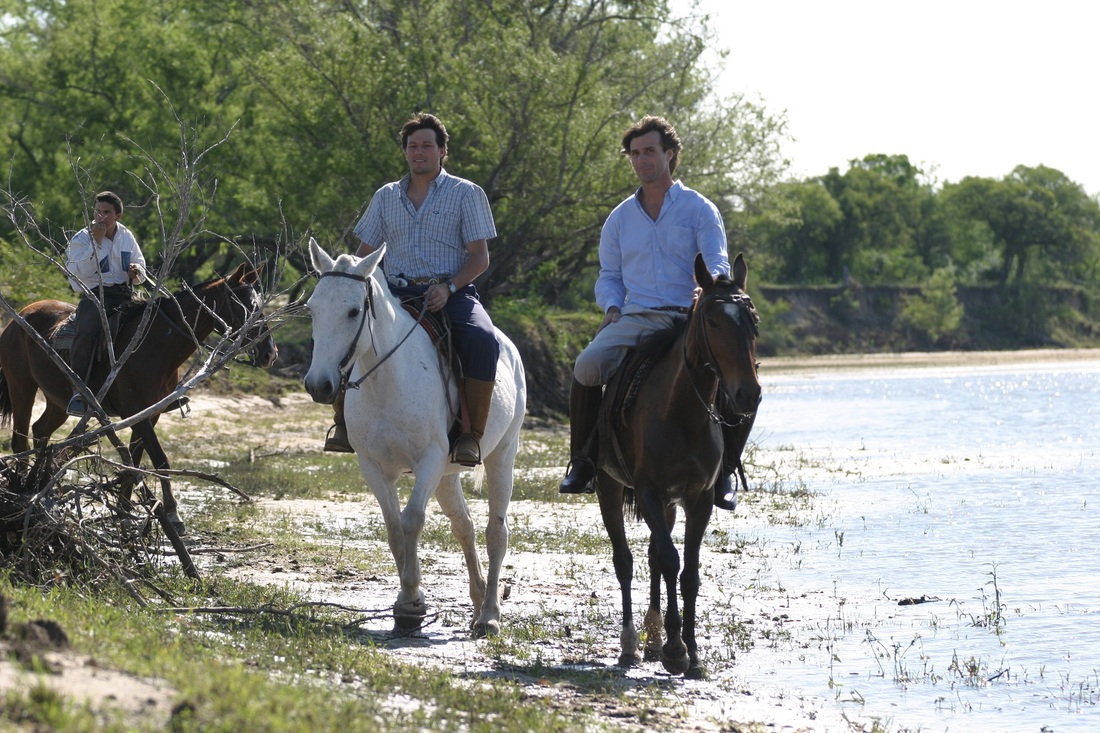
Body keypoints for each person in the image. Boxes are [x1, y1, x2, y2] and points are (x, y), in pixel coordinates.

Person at [558, 115, 743, 510]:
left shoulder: (699, 209)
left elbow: (719, 261)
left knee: (742, 380)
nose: (641, 160)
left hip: (691, 320)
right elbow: (609, 275)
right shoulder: (619, 218)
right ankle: (584, 461)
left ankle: (726, 469)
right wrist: (610, 307)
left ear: (670, 154)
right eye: (635, 154)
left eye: (649, 152)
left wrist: (709, 285)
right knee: (586, 366)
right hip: (637, 317)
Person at [324, 112, 500, 467]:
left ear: (442, 150)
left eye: (426, 146)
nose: (419, 152)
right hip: (394, 295)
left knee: (484, 340)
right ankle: (342, 421)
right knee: (347, 329)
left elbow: (479, 259)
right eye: (412, 146)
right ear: (405, 151)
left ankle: (470, 436)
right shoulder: (386, 196)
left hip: (451, 294)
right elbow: (364, 257)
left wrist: (448, 287)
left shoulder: (466, 193)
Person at [64, 190, 147, 416]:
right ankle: (79, 392)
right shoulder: (82, 238)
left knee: (151, 323)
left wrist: (136, 272)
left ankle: (157, 387)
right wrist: (96, 243)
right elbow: (76, 276)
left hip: (125, 295)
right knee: (86, 333)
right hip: (95, 296)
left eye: (106, 213)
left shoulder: (127, 236)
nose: (100, 217)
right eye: (98, 212)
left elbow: (141, 267)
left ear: (118, 215)